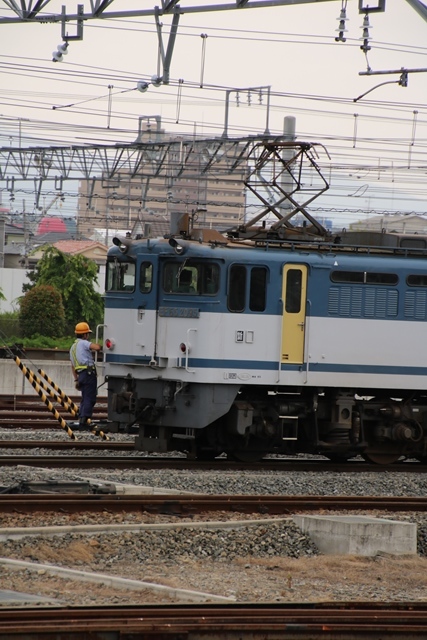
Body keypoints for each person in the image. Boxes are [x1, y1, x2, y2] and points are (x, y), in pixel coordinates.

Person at [70, 322, 101, 428]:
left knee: (85, 398)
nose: (88, 336)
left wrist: (76, 380)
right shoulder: (84, 343)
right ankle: (85, 421)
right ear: (84, 335)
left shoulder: (72, 348)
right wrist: (102, 345)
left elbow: (72, 366)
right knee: (90, 398)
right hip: (88, 374)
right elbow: (96, 347)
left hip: (81, 376)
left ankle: (82, 418)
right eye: (87, 334)